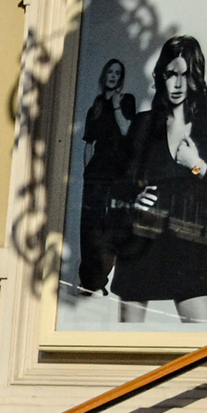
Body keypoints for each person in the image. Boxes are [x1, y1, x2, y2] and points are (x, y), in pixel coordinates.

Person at [113, 36, 207, 325]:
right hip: (141, 247)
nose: (178, 84)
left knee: (206, 349)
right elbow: (118, 186)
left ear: (196, 75)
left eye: (186, 75)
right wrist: (133, 199)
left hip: (188, 250)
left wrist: (195, 164)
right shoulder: (144, 124)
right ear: (161, 75)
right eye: (172, 74)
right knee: (126, 348)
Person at [75, 59, 137, 295]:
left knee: (110, 228)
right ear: (105, 75)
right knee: (89, 229)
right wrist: (86, 172)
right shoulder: (96, 108)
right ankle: (89, 282)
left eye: (117, 73)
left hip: (117, 177)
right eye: (110, 71)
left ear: (121, 78)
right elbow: (89, 144)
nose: (113, 75)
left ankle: (100, 279)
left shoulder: (126, 101)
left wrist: (118, 106)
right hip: (95, 177)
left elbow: (127, 132)